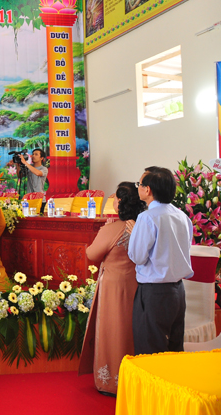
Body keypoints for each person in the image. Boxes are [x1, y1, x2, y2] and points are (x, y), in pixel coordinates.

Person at [79, 182, 145, 395]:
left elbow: (91, 254)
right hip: (136, 284)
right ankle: (132, 378)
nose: (113, 200)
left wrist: (104, 231)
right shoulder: (142, 226)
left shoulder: (112, 229)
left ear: (121, 202)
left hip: (113, 287)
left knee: (112, 330)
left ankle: (111, 381)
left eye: (116, 197)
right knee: (130, 329)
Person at [127, 166, 193, 355]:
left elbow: (138, 257)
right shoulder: (182, 216)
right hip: (178, 291)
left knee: (150, 352)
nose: (138, 187)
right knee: (174, 349)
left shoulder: (147, 218)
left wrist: (134, 235)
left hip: (154, 293)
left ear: (147, 190)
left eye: (139, 184)